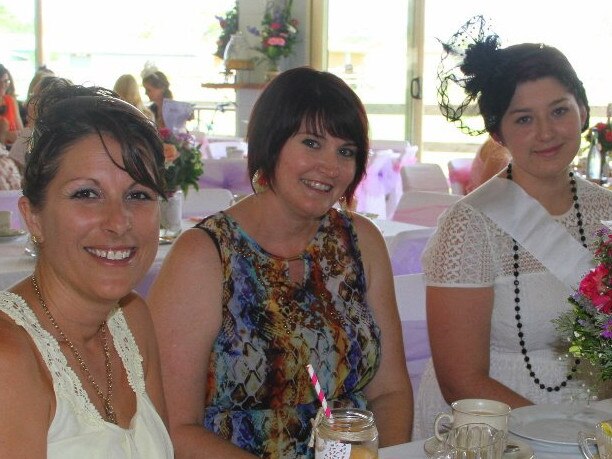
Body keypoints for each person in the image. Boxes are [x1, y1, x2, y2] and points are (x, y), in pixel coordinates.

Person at [148, 66, 413, 457]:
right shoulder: (204, 256)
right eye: (311, 143)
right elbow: (173, 427)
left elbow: (390, 391)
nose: (330, 166)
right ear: (271, 143)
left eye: (346, 151)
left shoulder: (360, 242)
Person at [414, 17, 612, 439]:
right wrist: (560, 432)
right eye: (523, 119)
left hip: (595, 422)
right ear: (497, 129)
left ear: (582, 110)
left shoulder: (606, 211)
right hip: (489, 427)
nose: (546, 132)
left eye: (559, 110)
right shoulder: (468, 227)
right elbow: (461, 381)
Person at [0, 80, 174, 457]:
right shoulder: (9, 359)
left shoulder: (132, 321)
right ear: (34, 218)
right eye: (86, 194)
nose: (118, 221)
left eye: (138, 195)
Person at [141, 64, 173, 128]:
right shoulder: (151, 110)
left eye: (149, 90)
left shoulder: (174, 109)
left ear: (161, 89)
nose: (145, 93)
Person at [0, 63, 24, 145]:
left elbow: (21, 132)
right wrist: (4, 135)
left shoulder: (11, 101)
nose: (3, 85)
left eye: (6, 81)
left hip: (11, 151)